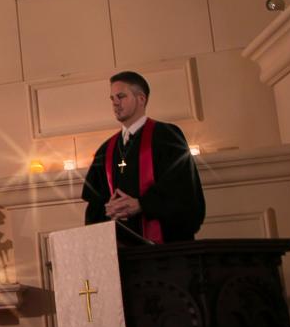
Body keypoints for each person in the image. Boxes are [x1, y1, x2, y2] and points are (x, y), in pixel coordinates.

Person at [82, 70, 205, 245]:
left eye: (121, 96)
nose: (115, 103)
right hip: (121, 253)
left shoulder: (167, 136)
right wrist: (108, 209)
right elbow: (94, 204)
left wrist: (143, 204)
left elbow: (183, 190)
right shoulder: (106, 149)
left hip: (165, 249)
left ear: (141, 99)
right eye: (112, 98)